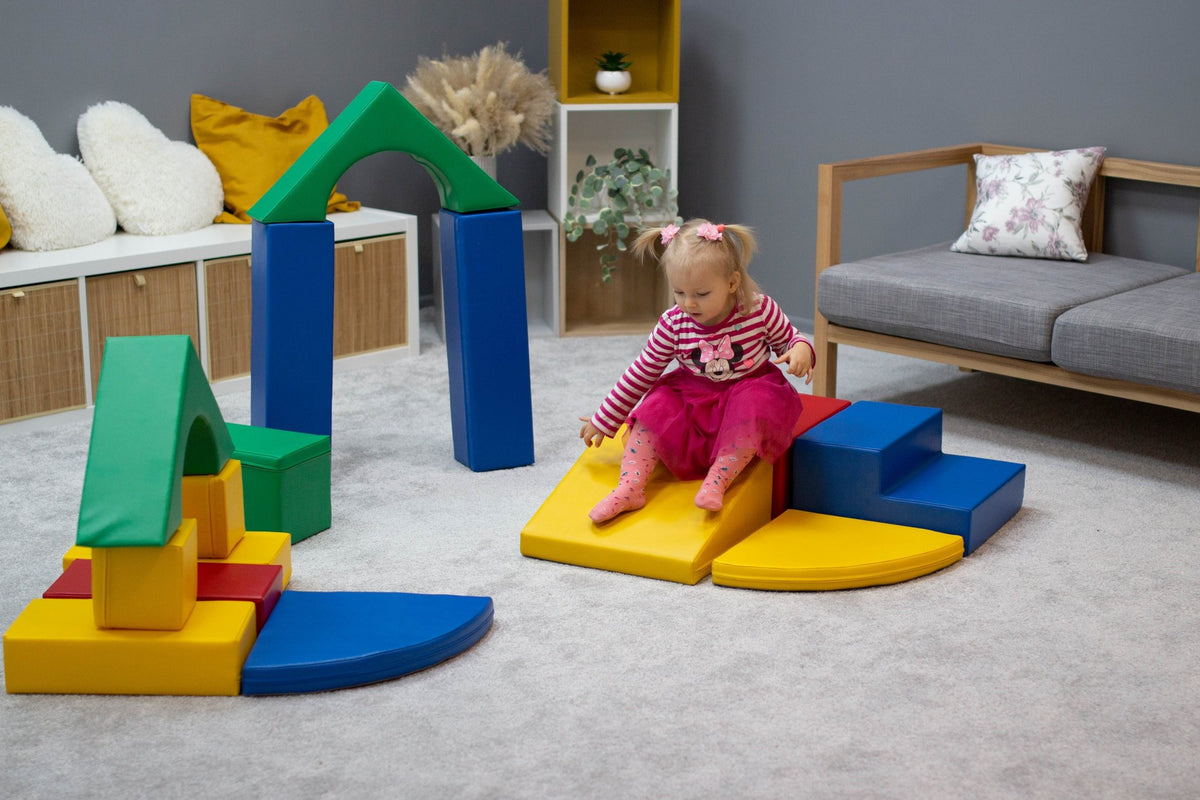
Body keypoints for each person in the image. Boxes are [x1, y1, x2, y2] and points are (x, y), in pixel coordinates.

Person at [579, 219, 815, 523]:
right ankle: (630, 487)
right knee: (654, 409)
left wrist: (801, 351)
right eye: (679, 292)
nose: (688, 303)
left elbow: (792, 339)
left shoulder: (758, 309)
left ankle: (718, 479)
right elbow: (641, 373)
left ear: (732, 283)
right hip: (694, 398)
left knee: (757, 402)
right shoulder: (673, 323)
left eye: (701, 294)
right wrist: (604, 418)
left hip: (748, 388)